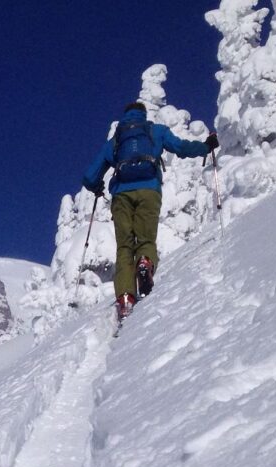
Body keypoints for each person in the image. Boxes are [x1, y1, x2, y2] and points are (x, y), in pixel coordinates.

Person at [82, 101, 218, 321]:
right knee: (146, 239)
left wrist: (96, 187)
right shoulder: (156, 131)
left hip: (121, 196)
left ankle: (126, 298)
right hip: (149, 190)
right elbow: (181, 147)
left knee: (125, 246)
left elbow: (89, 177)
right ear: (143, 115)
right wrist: (206, 146)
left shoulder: (116, 140)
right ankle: (145, 262)